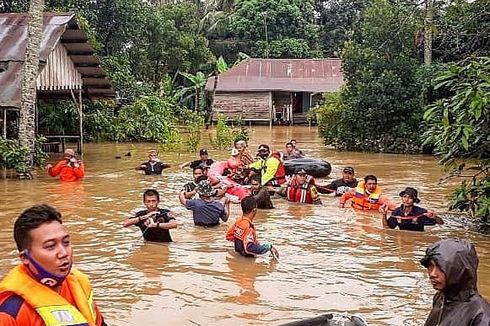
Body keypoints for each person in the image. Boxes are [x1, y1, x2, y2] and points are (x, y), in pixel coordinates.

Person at [0, 204, 106, 325]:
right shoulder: (11, 310)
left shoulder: (81, 284)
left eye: (66, 242)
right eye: (50, 246)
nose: (63, 253)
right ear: (25, 258)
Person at [420, 238, 490, 325]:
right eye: (430, 266)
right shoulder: (440, 298)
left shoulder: (481, 317)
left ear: (460, 270)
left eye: (440, 267)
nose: (432, 274)